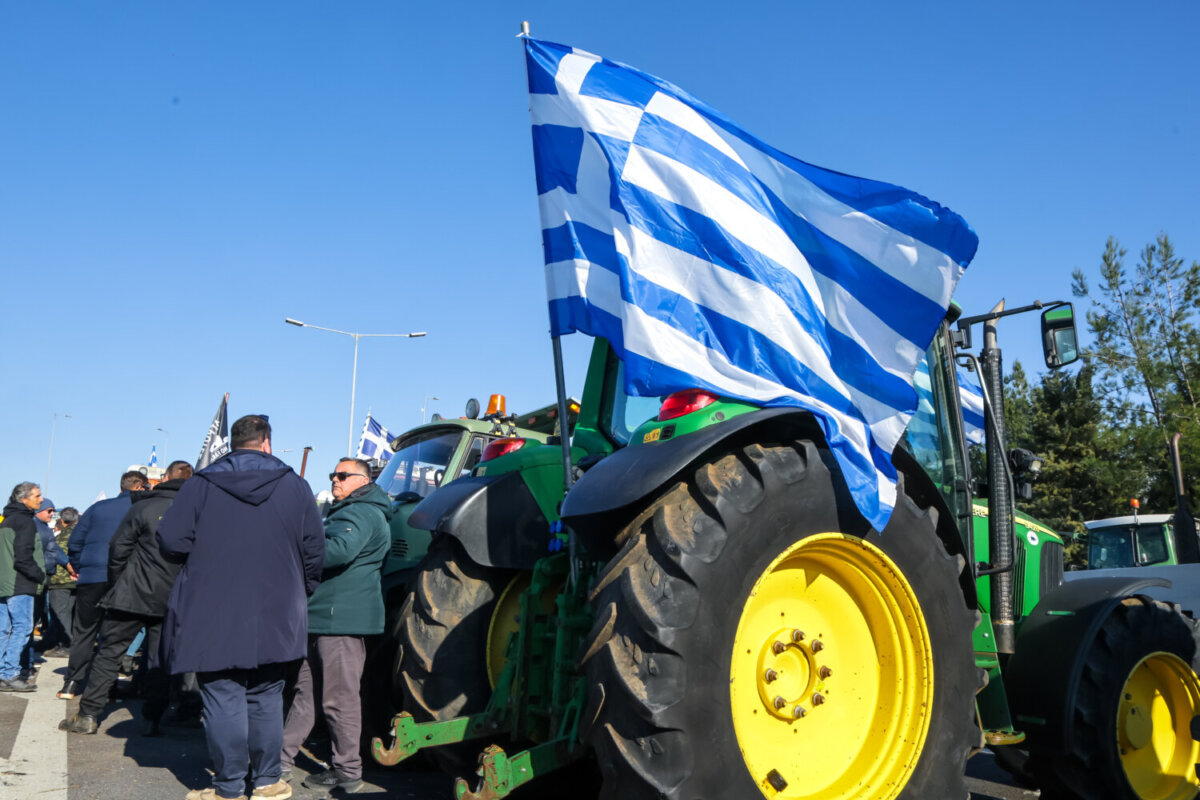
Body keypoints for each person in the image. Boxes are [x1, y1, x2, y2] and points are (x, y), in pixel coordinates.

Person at [158, 415, 324, 800]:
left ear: (233, 444)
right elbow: (315, 550)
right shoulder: (295, 486)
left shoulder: (202, 483)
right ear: (267, 443)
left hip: (212, 605)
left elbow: (170, 541)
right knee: (267, 694)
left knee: (222, 695)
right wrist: (301, 591)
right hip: (278, 607)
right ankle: (267, 783)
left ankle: (229, 788)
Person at [60, 460, 195, 736]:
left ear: (165, 477)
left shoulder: (143, 506)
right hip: (171, 596)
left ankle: (88, 715)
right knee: (160, 660)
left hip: (132, 591)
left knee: (109, 653)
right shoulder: (197, 512)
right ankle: (151, 719)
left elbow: (118, 548)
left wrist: (118, 581)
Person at [280, 458, 391, 793]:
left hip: (338, 619)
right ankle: (279, 761)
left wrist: (294, 544)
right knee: (307, 694)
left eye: (343, 475)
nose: (335, 480)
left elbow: (338, 551)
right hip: (327, 617)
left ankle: (348, 771)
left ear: (362, 479)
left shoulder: (359, 512)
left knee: (338, 698)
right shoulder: (358, 510)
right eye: (333, 475)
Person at [60, 470, 150, 699]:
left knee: (84, 632)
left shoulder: (97, 508)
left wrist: (82, 567)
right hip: (123, 578)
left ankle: (71, 683)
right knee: (113, 636)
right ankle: (106, 688)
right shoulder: (140, 508)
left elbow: (75, 541)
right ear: (139, 486)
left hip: (91, 577)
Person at [0, 482, 47, 692]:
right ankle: (10, 674)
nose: (41, 499)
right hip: (20, 583)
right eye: (37, 496)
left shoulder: (6, 520)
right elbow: (23, 558)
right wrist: (40, 576)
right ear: (24, 499)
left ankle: (3, 673)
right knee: (22, 628)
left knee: (4, 630)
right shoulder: (25, 522)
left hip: (4, 583)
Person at [43, 507, 79, 657]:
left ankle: (66, 646)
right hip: (75, 581)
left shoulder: (63, 536)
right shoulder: (79, 533)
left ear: (62, 521)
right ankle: (56, 642)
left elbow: (56, 552)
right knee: (67, 613)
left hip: (60, 580)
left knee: (60, 613)